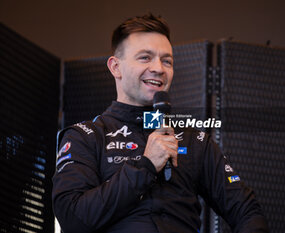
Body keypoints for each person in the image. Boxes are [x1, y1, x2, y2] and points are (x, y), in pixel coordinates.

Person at [52, 14, 269, 233]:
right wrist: (145, 166)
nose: (159, 68)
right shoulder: (86, 136)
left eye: (167, 61)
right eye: (145, 58)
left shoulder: (194, 141)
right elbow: (72, 219)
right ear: (115, 67)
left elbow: (247, 211)